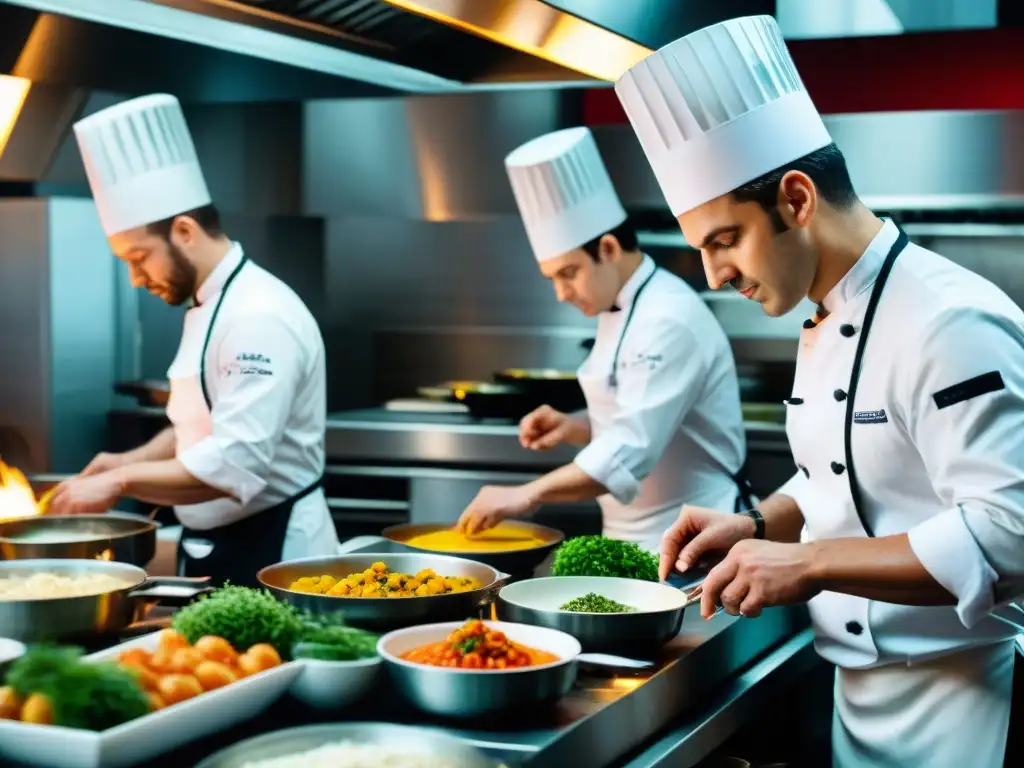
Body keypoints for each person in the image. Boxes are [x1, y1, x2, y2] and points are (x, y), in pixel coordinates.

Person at [614, 14, 1024, 768]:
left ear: (796, 199)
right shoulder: (824, 310)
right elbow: (845, 469)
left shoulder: (947, 319)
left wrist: (809, 563)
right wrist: (761, 524)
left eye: (723, 240)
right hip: (859, 702)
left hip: (969, 703)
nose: (713, 276)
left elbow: (1010, 533)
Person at [47, 94, 339, 586]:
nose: (137, 279)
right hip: (221, 545)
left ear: (184, 230)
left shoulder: (257, 317)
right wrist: (128, 460)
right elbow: (204, 428)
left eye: (139, 258)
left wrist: (118, 483)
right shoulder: (211, 303)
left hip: (276, 552)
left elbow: (231, 466)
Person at [456, 127, 752, 553]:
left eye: (568, 273)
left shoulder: (668, 319)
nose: (561, 293)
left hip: (697, 545)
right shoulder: (620, 303)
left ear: (609, 248)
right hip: (631, 542)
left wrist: (524, 493)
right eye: (553, 278)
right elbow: (642, 412)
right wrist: (574, 425)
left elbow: (629, 451)